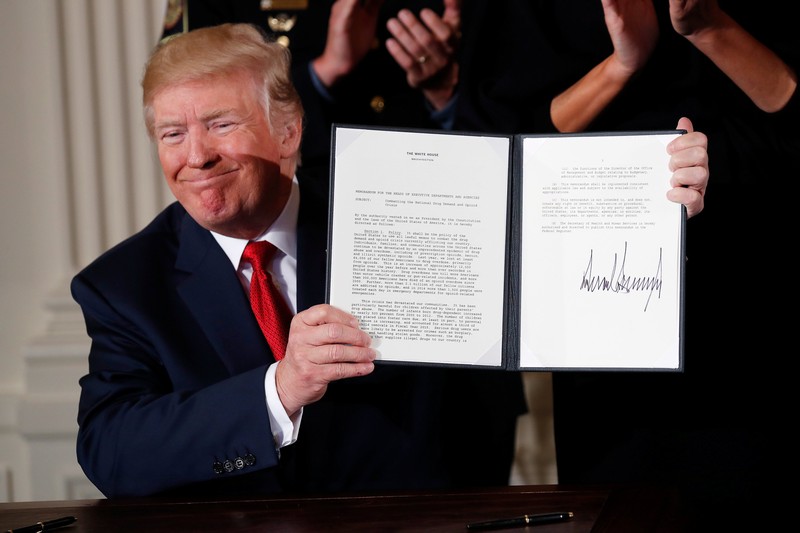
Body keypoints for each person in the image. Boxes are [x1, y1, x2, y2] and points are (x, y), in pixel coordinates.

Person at [72, 22, 709, 499]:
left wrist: (646, 199)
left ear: (290, 133)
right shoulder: (122, 286)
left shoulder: (401, 209)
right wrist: (281, 388)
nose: (197, 156)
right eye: (172, 134)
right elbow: (111, 451)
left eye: (220, 124)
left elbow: (542, 248)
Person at [454, 0, 797, 528]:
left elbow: (794, 116)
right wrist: (623, 64)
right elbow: (499, 141)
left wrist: (705, 27)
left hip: (755, 315)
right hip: (608, 344)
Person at [160, 0, 462, 169]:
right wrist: (324, 72)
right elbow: (183, 102)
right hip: (296, 209)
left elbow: (502, 106)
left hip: (433, 186)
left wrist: (442, 91)